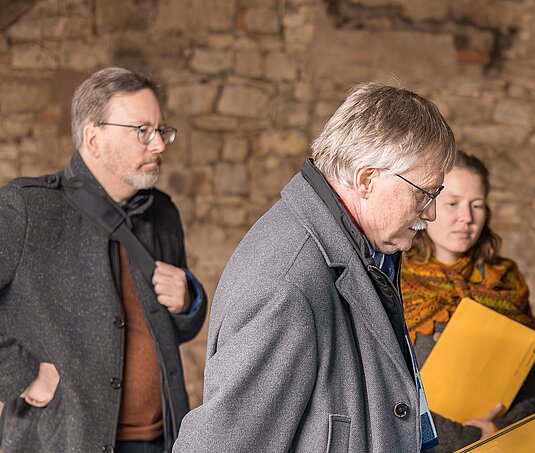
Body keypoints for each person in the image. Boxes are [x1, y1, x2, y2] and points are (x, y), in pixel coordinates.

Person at [173, 82, 457, 452]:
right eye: (424, 193)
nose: (431, 212)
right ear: (366, 180)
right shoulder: (287, 282)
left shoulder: (362, 247)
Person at [0, 67, 207, 452]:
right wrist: (21, 373)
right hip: (60, 443)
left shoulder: (162, 213)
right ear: (93, 138)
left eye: (161, 131)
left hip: (162, 440)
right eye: (142, 131)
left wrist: (189, 300)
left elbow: (177, 329)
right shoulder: (28, 208)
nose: (159, 144)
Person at [401, 151, 535, 451]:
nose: (466, 218)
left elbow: (532, 379)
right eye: (452, 203)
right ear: (427, 205)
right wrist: (462, 437)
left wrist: (496, 431)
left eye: (477, 205)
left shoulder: (505, 281)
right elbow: (385, 387)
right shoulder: (395, 280)